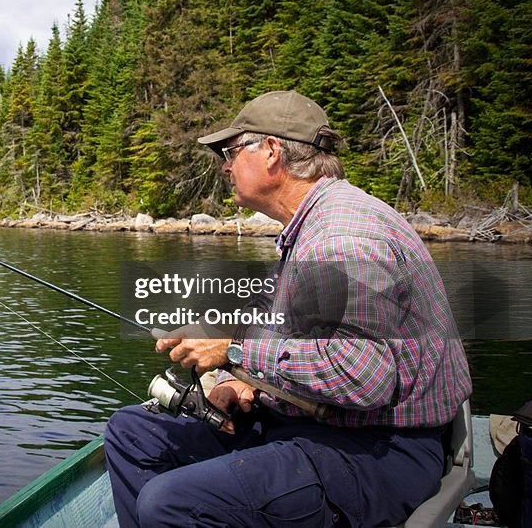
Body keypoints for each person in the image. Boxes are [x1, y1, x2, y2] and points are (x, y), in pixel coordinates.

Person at [104, 90, 472, 527]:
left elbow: (365, 377)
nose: (225, 165)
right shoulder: (311, 226)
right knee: (133, 433)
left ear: (273, 152)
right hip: (321, 424)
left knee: (169, 504)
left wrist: (234, 349)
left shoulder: (343, 235)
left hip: (380, 450)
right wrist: (232, 376)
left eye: (232, 151)